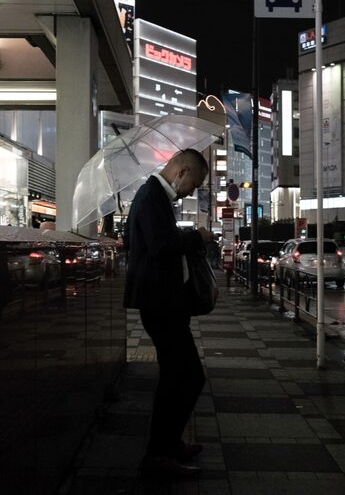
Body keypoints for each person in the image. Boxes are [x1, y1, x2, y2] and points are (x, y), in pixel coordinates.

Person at [123, 149, 214, 478]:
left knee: (178, 376)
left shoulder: (154, 198)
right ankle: (158, 453)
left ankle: (168, 444)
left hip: (163, 302)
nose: (193, 190)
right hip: (159, 303)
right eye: (196, 183)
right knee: (186, 377)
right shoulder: (151, 197)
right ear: (182, 171)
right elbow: (160, 246)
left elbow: (144, 241)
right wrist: (195, 236)